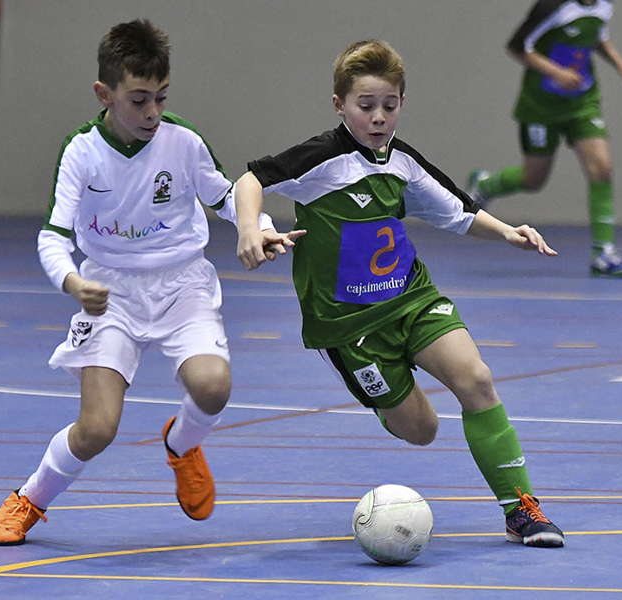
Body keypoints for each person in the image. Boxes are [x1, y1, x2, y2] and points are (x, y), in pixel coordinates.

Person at [235, 39, 566, 547]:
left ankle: (521, 510)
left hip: (411, 299)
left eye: (389, 106)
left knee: (476, 379)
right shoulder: (322, 158)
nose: (378, 117)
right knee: (422, 429)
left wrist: (507, 232)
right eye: (365, 106)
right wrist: (249, 230)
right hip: (350, 328)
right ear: (339, 105)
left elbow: (455, 209)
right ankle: (388, 400)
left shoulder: (402, 162)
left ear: (401, 105)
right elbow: (252, 179)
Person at [0, 19, 295, 545]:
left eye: (161, 97)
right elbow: (53, 238)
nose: (153, 112)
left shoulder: (183, 142)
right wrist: (71, 283)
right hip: (110, 292)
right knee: (97, 429)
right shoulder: (81, 151)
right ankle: (30, 499)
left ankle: (183, 444)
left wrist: (259, 228)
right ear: (104, 94)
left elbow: (226, 197)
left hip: (182, 284)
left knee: (213, 386)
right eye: (139, 99)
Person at [466, 0, 622, 278]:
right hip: (540, 106)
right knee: (533, 179)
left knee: (602, 169)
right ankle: (485, 184)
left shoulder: (604, 6)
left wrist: (620, 63)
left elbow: (598, 36)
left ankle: (603, 252)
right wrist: (557, 73)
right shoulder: (553, 6)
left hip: (582, 102)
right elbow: (517, 46)